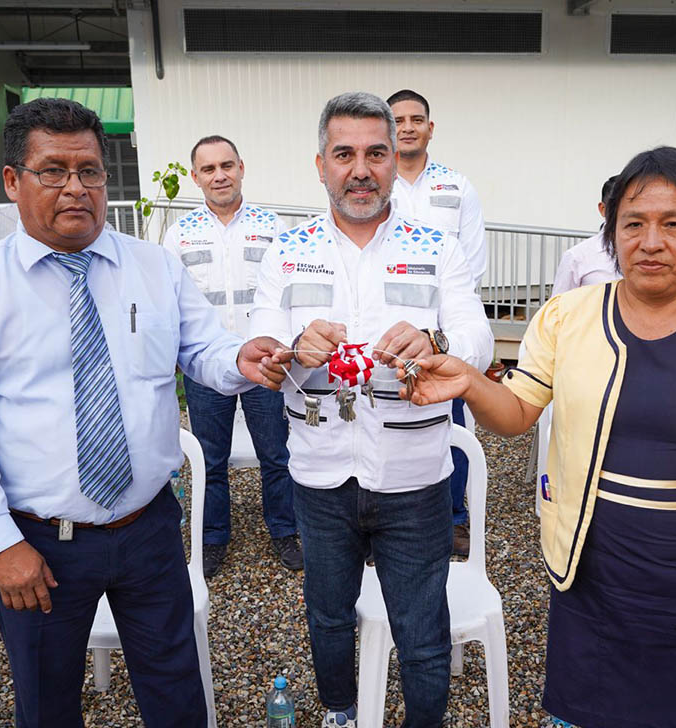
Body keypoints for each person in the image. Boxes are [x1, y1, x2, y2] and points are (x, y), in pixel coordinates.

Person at [404, 146, 676, 728]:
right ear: (611, 234)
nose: (650, 242)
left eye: (674, 224)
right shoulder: (566, 317)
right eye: (633, 224)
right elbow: (519, 411)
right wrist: (471, 382)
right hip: (596, 575)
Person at [0, 98, 289, 727]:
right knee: (48, 700)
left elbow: (203, 349)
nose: (75, 188)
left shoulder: (154, 267)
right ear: (13, 182)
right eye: (53, 171)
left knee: (175, 689)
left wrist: (242, 361)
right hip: (39, 545)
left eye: (89, 171)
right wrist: (1, 543)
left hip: (149, 529)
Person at [249, 92, 493, 727]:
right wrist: (291, 349)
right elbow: (262, 341)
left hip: (414, 473)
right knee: (328, 614)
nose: (361, 169)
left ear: (395, 160)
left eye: (375, 154)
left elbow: (478, 335)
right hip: (320, 472)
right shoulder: (286, 248)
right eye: (344, 154)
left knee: (421, 630)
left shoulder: (436, 246)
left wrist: (436, 342)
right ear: (320, 164)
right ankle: (339, 713)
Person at [165, 134, 301, 578]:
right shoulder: (179, 235)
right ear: (195, 177)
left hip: (263, 362)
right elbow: (169, 301)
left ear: (242, 167)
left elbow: (289, 293)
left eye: (227, 165)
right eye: (209, 169)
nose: (219, 175)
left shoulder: (274, 226)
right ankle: (212, 538)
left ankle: (285, 530)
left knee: (276, 453)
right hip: (206, 365)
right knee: (210, 457)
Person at [388, 88, 488, 556]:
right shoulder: (374, 182)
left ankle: (453, 519)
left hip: (441, 333)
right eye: (398, 119)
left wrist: (446, 335)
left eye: (416, 118)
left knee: (450, 423)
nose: (407, 126)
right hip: (385, 333)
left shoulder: (456, 187)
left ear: (431, 127)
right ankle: (384, 517)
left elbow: (471, 265)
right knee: (385, 417)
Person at [551, 175, 621, 295]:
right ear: (602, 209)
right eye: (617, 207)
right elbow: (558, 309)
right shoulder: (577, 257)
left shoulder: (648, 252)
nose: (625, 215)